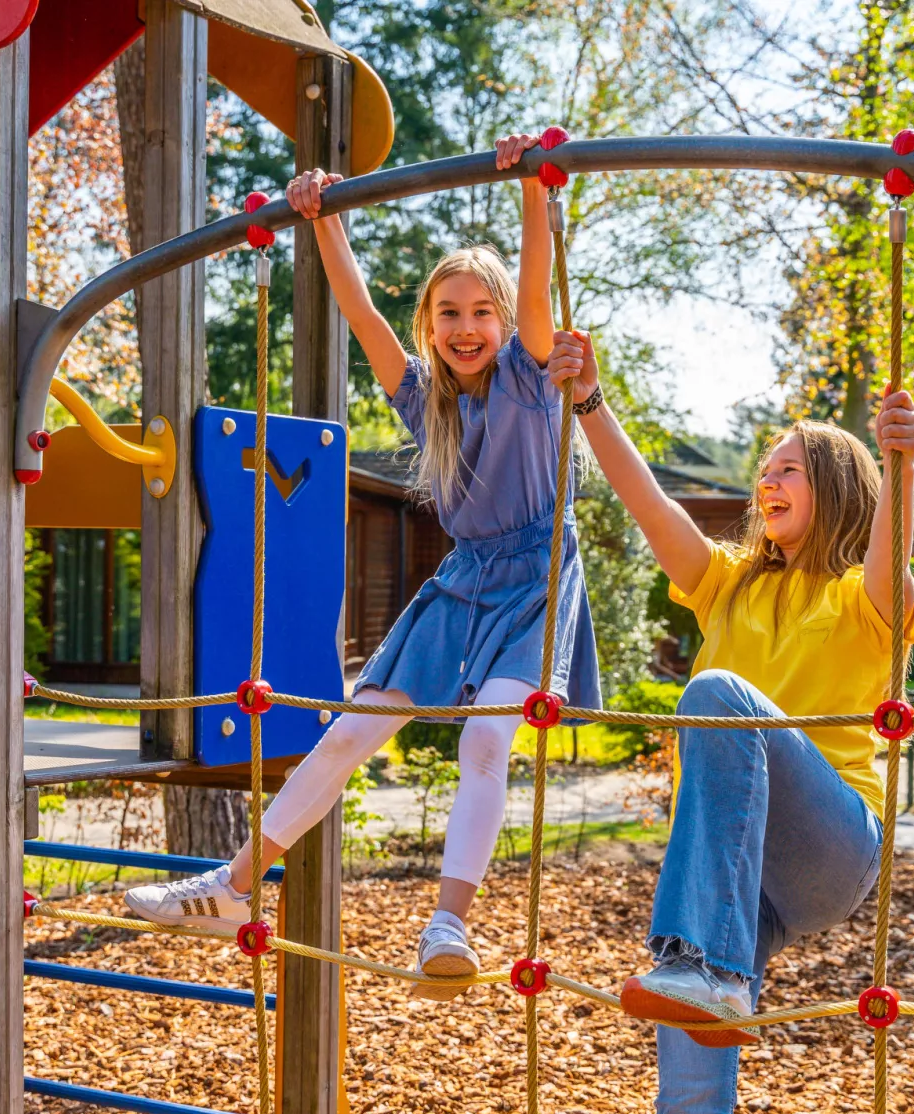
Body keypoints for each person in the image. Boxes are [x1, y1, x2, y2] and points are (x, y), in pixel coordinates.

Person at [126, 135, 601, 1000]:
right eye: (449, 313)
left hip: (534, 579)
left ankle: (449, 921)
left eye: (480, 312)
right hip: (462, 581)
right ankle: (233, 885)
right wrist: (323, 222)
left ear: (503, 322)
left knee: (488, 737)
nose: (466, 328)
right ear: (431, 326)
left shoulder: (532, 381)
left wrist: (535, 187)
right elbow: (361, 316)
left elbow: (536, 289)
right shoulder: (426, 398)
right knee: (347, 731)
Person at [547, 328, 914, 1114]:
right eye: (765, 468)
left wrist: (901, 463)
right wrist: (590, 403)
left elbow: (889, 557)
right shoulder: (730, 584)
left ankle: (707, 971)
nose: (767, 480)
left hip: (828, 844)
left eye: (788, 468)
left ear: (832, 486)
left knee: (717, 691)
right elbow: (650, 508)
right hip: (731, 887)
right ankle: (705, 992)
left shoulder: (861, 598)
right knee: (686, 1082)